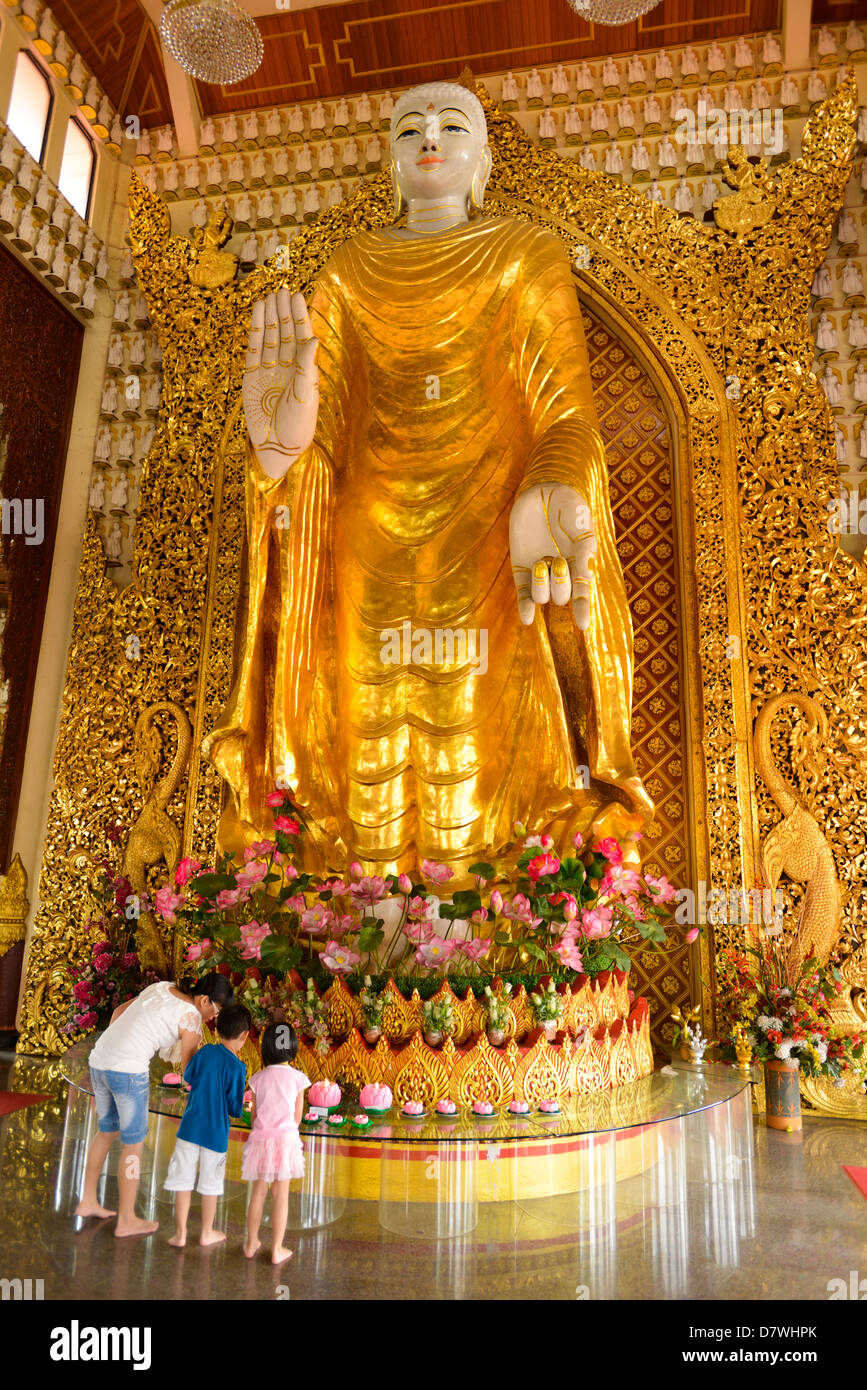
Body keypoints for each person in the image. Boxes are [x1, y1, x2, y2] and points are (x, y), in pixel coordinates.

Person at [75, 972, 233, 1236]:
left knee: (106, 1131)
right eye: (215, 1010)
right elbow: (190, 1072)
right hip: (128, 1072)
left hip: (100, 1060)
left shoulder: (162, 987)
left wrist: (118, 1048)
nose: (213, 1018)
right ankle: (126, 1219)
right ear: (204, 1000)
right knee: (133, 1146)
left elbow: (118, 1012)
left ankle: (88, 1201)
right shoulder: (192, 1017)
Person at [165, 1002, 250, 1247]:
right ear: (244, 1035)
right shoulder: (238, 1067)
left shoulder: (204, 1052)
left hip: (190, 1127)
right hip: (216, 1133)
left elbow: (189, 1076)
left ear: (217, 1030)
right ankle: (206, 1232)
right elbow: (234, 1108)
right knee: (211, 1184)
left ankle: (180, 1234)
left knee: (182, 1180)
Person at [242, 1022, 310, 1265]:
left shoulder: (258, 1078)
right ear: (292, 1047)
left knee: (258, 1193)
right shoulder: (298, 1079)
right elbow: (297, 1118)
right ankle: (277, 1249)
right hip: (285, 1140)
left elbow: (254, 1115)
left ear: (266, 1048)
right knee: (281, 1195)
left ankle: (250, 1244)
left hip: (261, 1139)